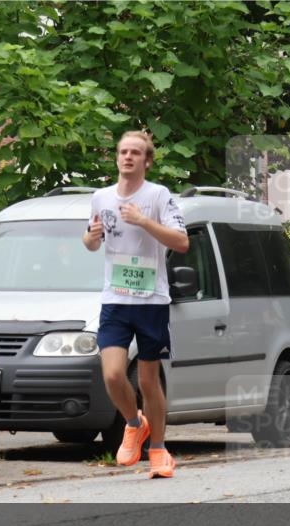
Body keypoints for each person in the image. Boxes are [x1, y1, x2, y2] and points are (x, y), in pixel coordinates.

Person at [83, 130, 188, 478]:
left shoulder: (158, 195)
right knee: (112, 373)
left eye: (135, 152)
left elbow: (182, 242)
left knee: (147, 381)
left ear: (147, 160)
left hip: (151, 300)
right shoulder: (100, 197)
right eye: (123, 152)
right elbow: (91, 242)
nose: (128, 157)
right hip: (115, 298)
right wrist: (90, 238)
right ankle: (134, 423)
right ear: (116, 158)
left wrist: (144, 221)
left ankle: (158, 449)